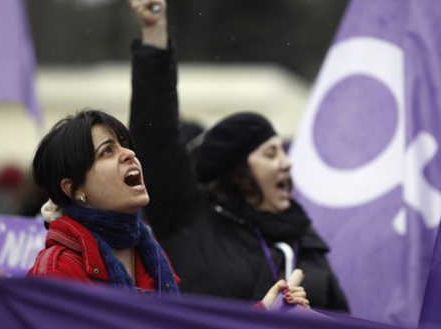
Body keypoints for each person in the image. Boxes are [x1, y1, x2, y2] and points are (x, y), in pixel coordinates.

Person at [128, 0, 348, 312]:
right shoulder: (189, 221)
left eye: (282, 151)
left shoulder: (308, 243)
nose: (287, 162)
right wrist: (154, 34)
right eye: (270, 154)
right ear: (237, 170)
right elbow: (156, 135)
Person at [26, 109, 307, 309]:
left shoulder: (151, 255)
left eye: (125, 145)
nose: (129, 154)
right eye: (107, 151)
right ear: (74, 189)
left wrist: (264, 314)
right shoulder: (58, 270)